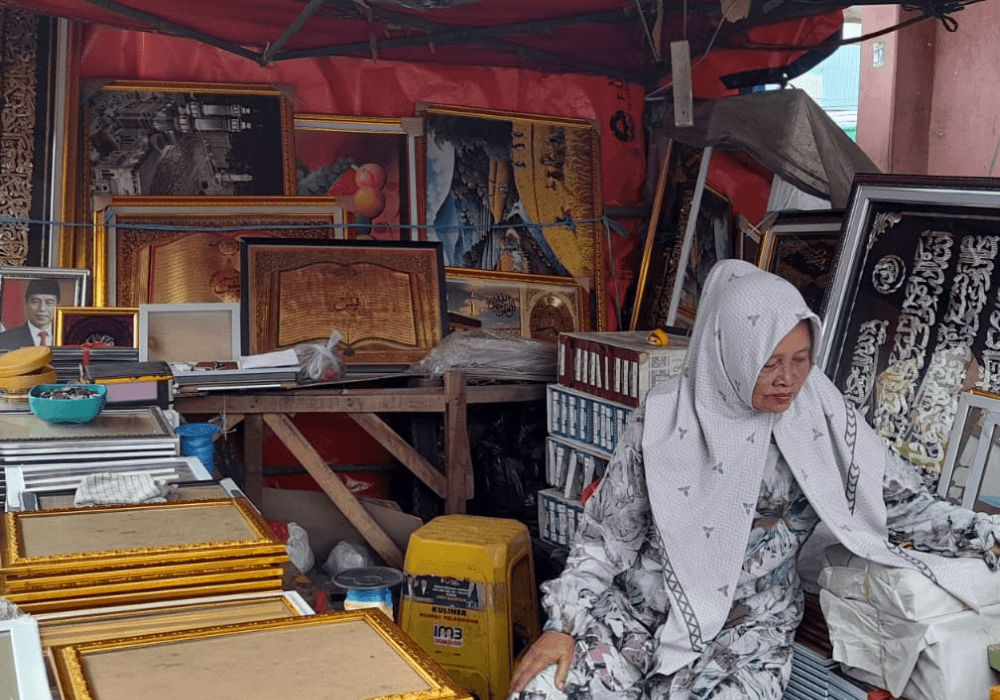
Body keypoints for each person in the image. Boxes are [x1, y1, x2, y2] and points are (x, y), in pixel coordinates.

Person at [509, 259, 1000, 700]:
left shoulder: (823, 420)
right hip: (638, 615)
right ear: (732, 354)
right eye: (770, 364)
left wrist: (989, 536)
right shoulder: (665, 421)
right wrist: (564, 624)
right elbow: (607, 536)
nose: (788, 379)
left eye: (801, 359)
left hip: (746, 631)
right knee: (542, 691)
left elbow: (907, 504)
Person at [0, 278, 61, 351]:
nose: (42, 308)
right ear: (26, 303)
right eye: (36, 302)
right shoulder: (5, 339)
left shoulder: (67, 339)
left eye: (49, 303)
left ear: (57, 306)